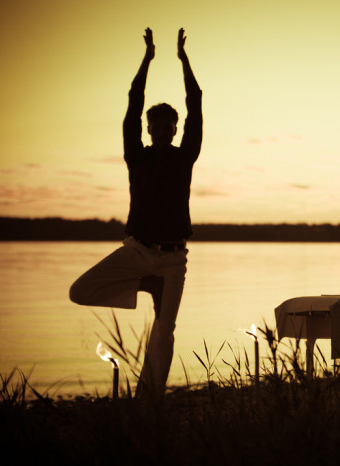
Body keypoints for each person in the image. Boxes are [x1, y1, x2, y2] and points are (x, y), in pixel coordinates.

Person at [69, 28, 202, 398]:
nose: (161, 130)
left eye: (167, 126)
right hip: (136, 252)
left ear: (175, 129)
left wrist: (183, 60)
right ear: (148, 128)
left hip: (173, 260)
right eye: (155, 126)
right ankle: (141, 285)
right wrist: (148, 58)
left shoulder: (184, 157)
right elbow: (133, 99)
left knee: (164, 331)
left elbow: (196, 100)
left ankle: (151, 399)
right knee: (79, 290)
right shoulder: (136, 156)